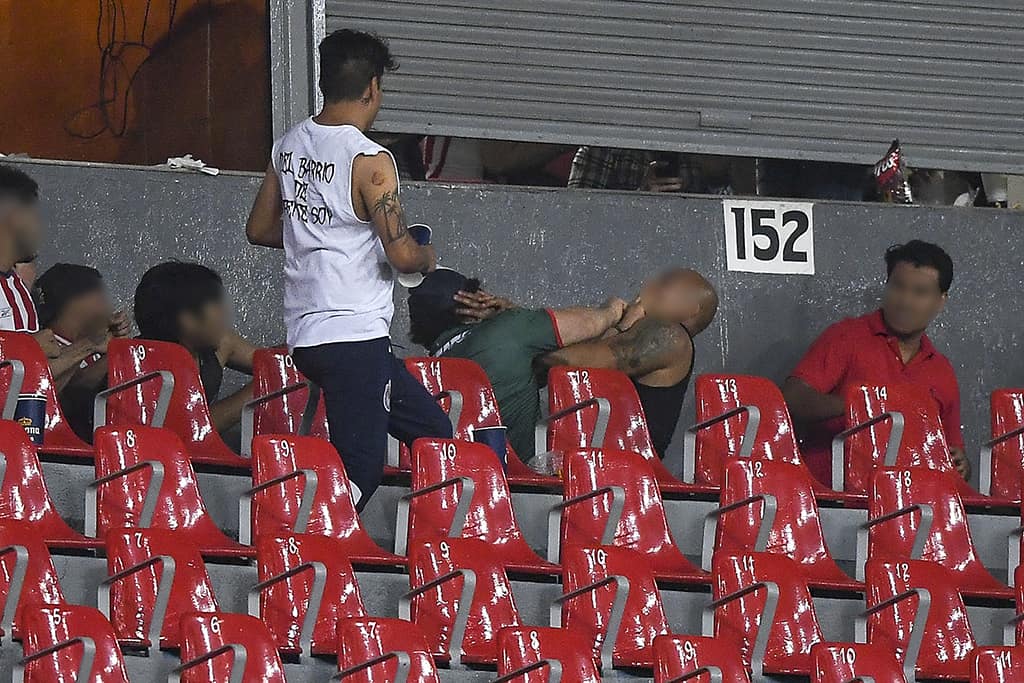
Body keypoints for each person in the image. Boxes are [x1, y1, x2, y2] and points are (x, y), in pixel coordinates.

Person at [244, 29, 452, 508]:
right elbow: (401, 255)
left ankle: (416, 547)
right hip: (352, 334)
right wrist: (426, 254)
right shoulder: (371, 160)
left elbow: (259, 228)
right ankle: (303, 544)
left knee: (434, 432)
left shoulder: (289, 145)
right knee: (361, 470)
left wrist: (319, 234)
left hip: (309, 335)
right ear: (373, 88)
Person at [410, 268, 718, 461]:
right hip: (577, 462)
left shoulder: (672, 336)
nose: (649, 283)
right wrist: (517, 325)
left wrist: (514, 333)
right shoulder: (629, 332)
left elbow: (574, 364)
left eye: (665, 281)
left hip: (621, 473)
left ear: (691, 308)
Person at [782, 240, 968, 485]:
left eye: (920, 292)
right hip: (835, 501)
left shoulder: (942, 371)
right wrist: (859, 406)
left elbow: (954, 453)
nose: (905, 301)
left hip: (912, 502)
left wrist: (963, 464)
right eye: (898, 287)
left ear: (940, 301)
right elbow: (791, 398)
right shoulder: (846, 337)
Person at [133, 261, 257, 437]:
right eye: (216, 304)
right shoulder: (145, 364)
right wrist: (262, 389)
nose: (225, 313)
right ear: (188, 319)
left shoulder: (220, 343)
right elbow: (186, 430)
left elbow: (277, 363)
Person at [31, 264, 131, 440]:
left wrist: (114, 347)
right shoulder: (45, 348)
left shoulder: (96, 347)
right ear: (78, 301)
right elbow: (70, 394)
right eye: (101, 294)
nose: (109, 304)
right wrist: (103, 347)